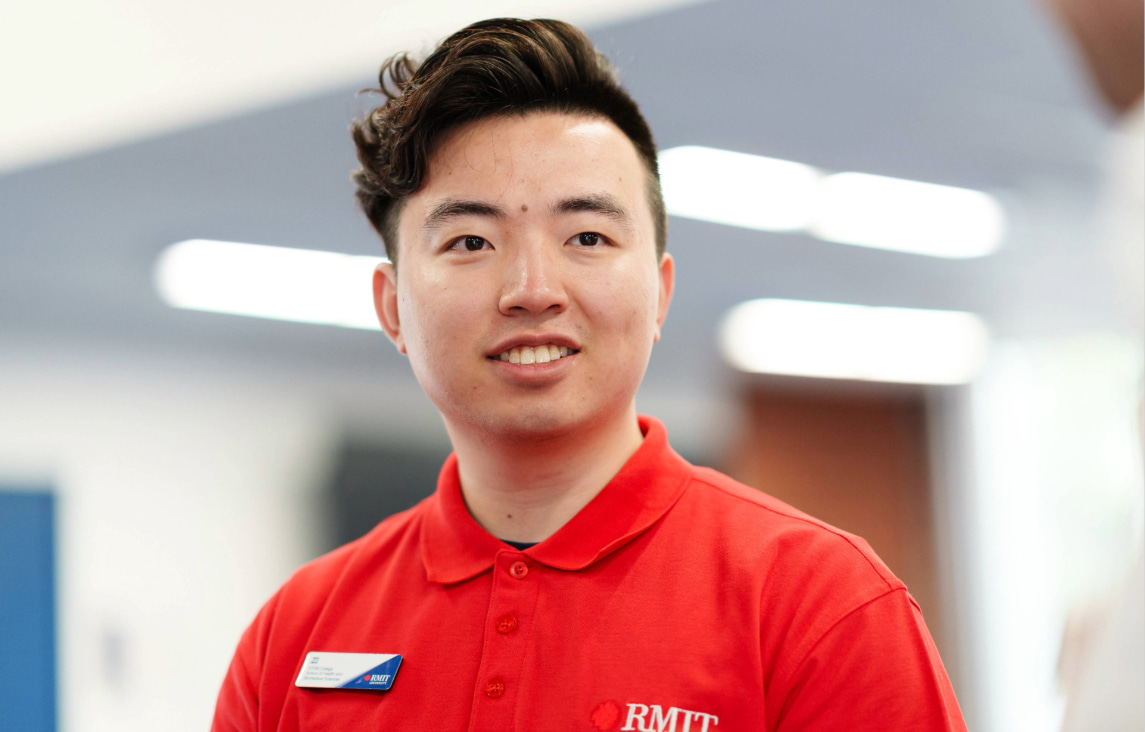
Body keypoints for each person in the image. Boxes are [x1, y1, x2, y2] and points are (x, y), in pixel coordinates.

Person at [211, 18, 966, 731]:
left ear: (660, 290)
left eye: (586, 235)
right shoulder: (297, 634)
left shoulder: (817, 603)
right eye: (471, 241)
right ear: (392, 309)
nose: (532, 289)